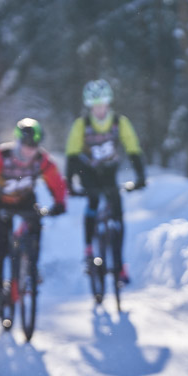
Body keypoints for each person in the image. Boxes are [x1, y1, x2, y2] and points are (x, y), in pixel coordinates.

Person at [0, 118, 67, 317]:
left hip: (25, 201)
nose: (29, 151)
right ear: (18, 142)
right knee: (2, 247)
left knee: (35, 228)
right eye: (26, 146)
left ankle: (31, 267)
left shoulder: (42, 160)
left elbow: (57, 182)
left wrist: (60, 203)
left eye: (33, 147)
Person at [65, 79, 147, 287]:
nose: (99, 110)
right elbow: (72, 154)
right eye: (95, 106)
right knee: (92, 201)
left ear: (108, 104)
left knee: (118, 215)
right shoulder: (81, 125)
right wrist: (71, 184)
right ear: (90, 107)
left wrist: (140, 177)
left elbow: (133, 148)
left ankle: (119, 265)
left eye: (102, 106)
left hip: (110, 171)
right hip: (88, 171)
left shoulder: (120, 122)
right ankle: (88, 251)